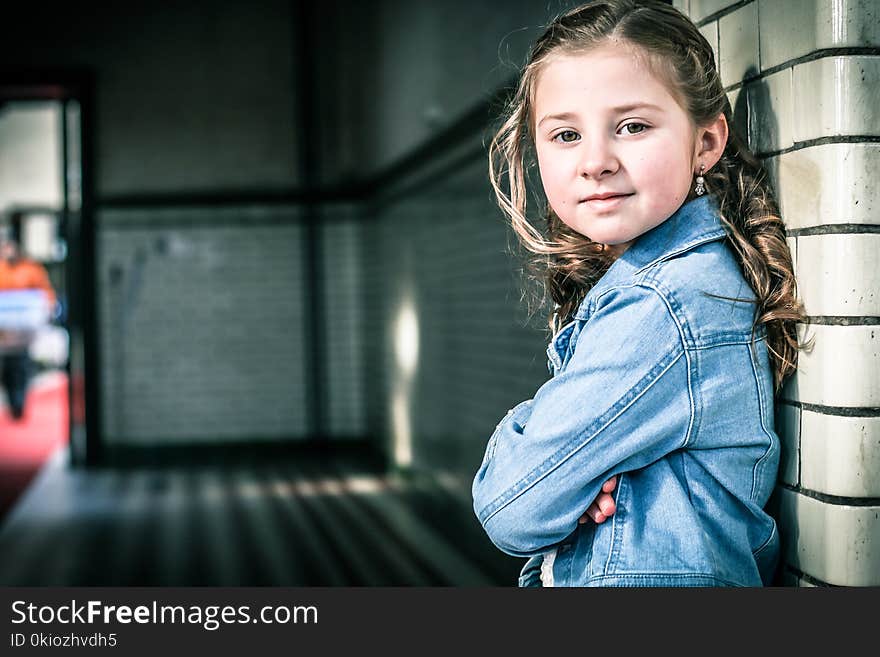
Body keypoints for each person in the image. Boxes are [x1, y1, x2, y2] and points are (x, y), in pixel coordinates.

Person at [471, 0, 805, 587]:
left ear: (706, 143)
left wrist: (536, 439)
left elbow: (512, 509)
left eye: (632, 126)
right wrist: (568, 468)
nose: (596, 162)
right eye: (567, 134)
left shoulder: (663, 304)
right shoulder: (674, 283)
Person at [0, 217, 57, 420]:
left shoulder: (31, 270)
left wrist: (46, 309)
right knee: (7, 368)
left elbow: (45, 293)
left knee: (21, 366)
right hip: (4, 333)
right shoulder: (1, 270)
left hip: (24, 332)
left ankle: (20, 401)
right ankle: (13, 401)